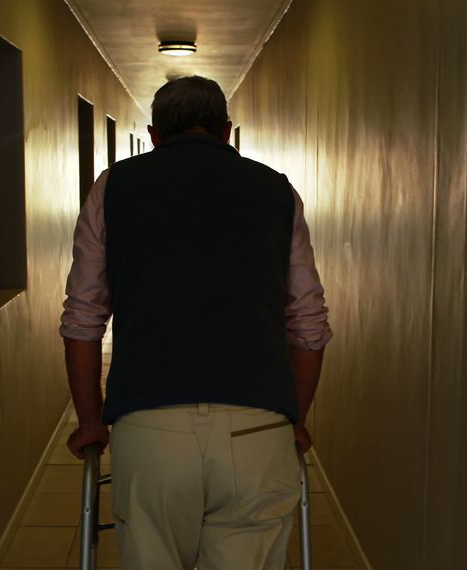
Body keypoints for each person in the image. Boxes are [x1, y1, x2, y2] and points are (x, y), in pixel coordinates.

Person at [59, 75, 331, 570]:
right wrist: (293, 417)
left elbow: (82, 318)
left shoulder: (113, 188)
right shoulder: (276, 191)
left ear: (154, 134)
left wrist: (91, 421)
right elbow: (308, 324)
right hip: (256, 430)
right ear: (227, 131)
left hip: (150, 429)